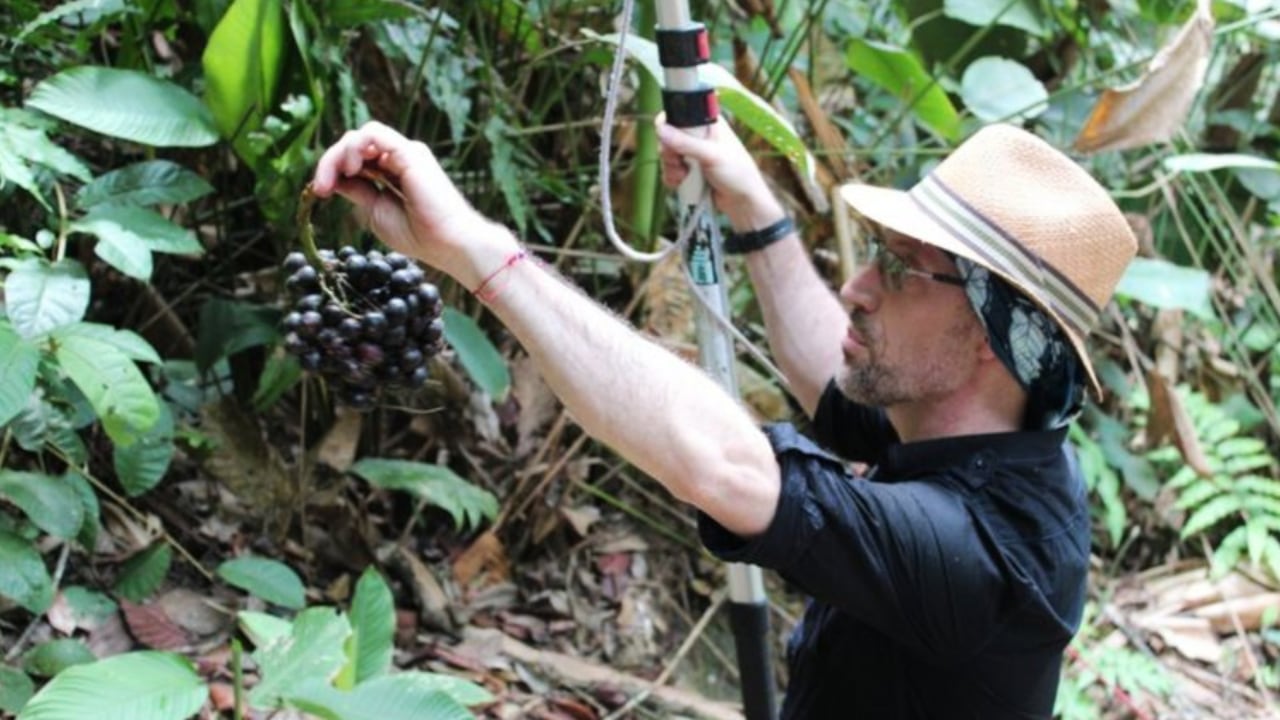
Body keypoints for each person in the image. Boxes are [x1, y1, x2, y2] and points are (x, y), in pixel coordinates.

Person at [310, 116, 1136, 718]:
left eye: (900, 267)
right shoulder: (985, 427)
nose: (859, 285)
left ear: (995, 334)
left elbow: (728, 469)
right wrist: (757, 211)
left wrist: (472, 250)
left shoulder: (989, 559)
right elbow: (837, 374)